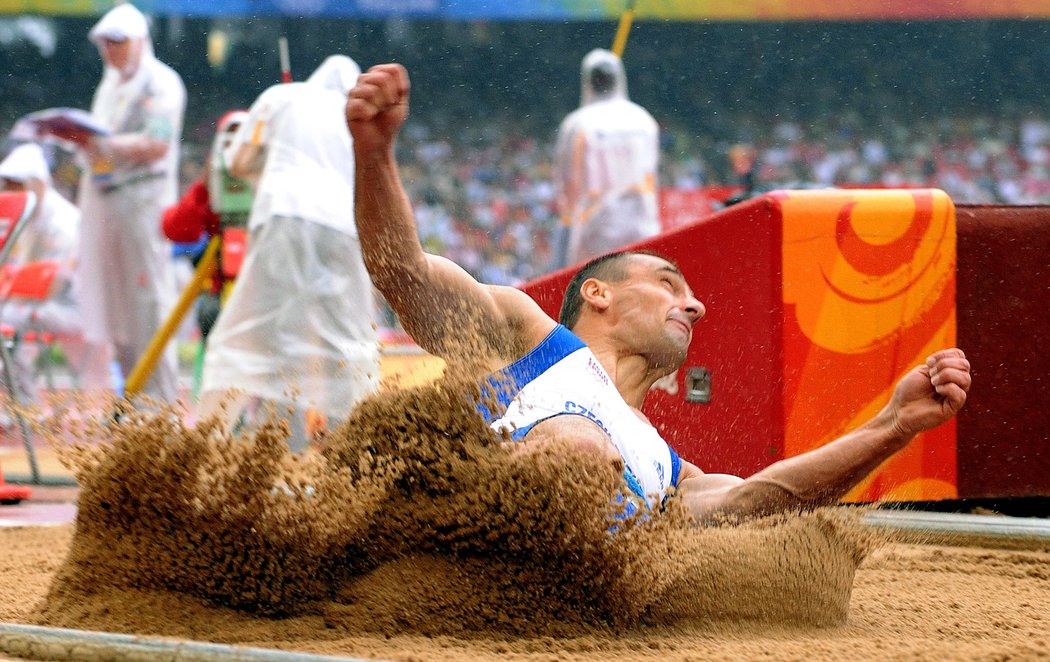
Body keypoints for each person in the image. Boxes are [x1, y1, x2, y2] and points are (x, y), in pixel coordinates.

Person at [345, 63, 973, 524]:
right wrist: (375, 156)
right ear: (597, 293)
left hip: (575, 606)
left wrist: (894, 425)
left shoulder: (669, 468)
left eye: (693, 296)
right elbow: (406, 277)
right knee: (583, 448)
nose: (696, 305)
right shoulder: (524, 335)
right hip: (464, 530)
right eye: (669, 284)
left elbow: (763, 498)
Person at [198, 56, 380, 453]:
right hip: (344, 231)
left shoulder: (282, 95)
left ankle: (201, 454)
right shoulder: (360, 121)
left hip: (283, 217)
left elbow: (237, 160)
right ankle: (365, 458)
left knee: (246, 337)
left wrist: (268, 170)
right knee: (351, 347)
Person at [41, 4, 185, 402]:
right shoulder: (108, 87)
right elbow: (100, 148)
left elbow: (157, 144)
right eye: (105, 44)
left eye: (118, 43)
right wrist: (80, 141)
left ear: (140, 41)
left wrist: (100, 144)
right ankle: (135, 399)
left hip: (143, 205)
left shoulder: (160, 83)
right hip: (105, 205)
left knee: (147, 304)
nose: (111, 51)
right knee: (117, 309)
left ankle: (162, 403)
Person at [0, 143, 112, 398]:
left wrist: (12, 284)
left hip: (77, 308)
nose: (9, 191)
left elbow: (50, 285)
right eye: (6, 184)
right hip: (40, 304)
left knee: (7, 319)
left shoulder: (63, 222)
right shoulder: (28, 215)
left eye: (16, 183)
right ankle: (18, 401)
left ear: (39, 183)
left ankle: (24, 405)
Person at [552, 48, 660, 269]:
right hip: (642, 226)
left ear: (588, 80)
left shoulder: (578, 123)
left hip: (595, 230)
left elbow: (567, 184)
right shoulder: (643, 119)